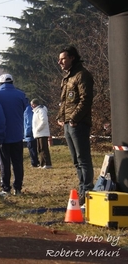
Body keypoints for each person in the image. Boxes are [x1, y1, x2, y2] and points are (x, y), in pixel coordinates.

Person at [56, 46, 94, 206]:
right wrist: (60, 117)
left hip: (78, 124)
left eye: (63, 59)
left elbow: (86, 100)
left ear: (72, 58)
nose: (60, 62)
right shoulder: (67, 78)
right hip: (68, 123)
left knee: (83, 158)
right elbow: (65, 102)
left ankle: (87, 192)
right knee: (76, 161)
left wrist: (73, 118)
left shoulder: (82, 75)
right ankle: (81, 191)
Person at [0, 74, 28, 196]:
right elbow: (25, 108)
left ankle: (5, 188)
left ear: (0, 84)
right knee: (17, 163)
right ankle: (17, 188)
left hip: (2, 136)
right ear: (12, 82)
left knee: (4, 163)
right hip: (17, 134)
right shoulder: (21, 95)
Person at [31, 98, 52, 169]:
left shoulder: (41, 110)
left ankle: (47, 163)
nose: (31, 106)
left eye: (32, 104)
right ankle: (42, 163)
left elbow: (44, 121)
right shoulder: (36, 112)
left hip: (42, 133)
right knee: (39, 149)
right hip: (38, 133)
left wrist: (38, 129)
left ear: (35, 104)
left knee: (44, 148)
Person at [24, 104, 39, 168]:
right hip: (31, 132)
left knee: (32, 147)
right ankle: (35, 161)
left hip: (30, 133)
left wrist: (27, 132)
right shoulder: (28, 109)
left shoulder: (27, 110)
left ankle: (34, 162)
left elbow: (29, 121)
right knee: (32, 147)